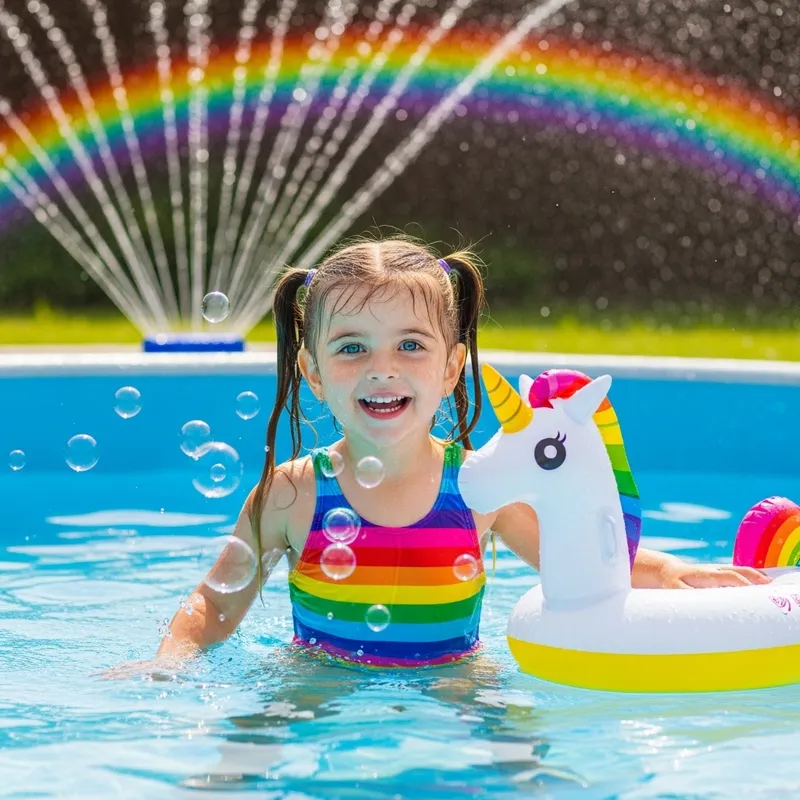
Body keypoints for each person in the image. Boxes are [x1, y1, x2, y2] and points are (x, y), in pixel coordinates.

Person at [121, 236, 771, 675]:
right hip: (317, 692)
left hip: (456, 691)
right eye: (351, 349)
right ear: (312, 373)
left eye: (410, 346)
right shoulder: (292, 494)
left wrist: (671, 573)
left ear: (453, 367)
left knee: (528, 769)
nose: (382, 369)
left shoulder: (479, 486)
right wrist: (167, 661)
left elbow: (577, 560)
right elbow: (213, 605)